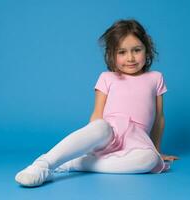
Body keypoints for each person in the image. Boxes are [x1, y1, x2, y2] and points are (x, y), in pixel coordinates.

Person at [15, 19, 178, 187]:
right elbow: (97, 114)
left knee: (149, 160)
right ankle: (42, 165)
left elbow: (159, 118)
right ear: (111, 54)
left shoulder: (155, 78)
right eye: (122, 52)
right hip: (110, 132)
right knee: (100, 126)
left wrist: (157, 150)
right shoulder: (107, 77)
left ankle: (74, 164)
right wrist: (92, 139)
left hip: (137, 139)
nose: (130, 58)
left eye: (136, 50)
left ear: (147, 49)